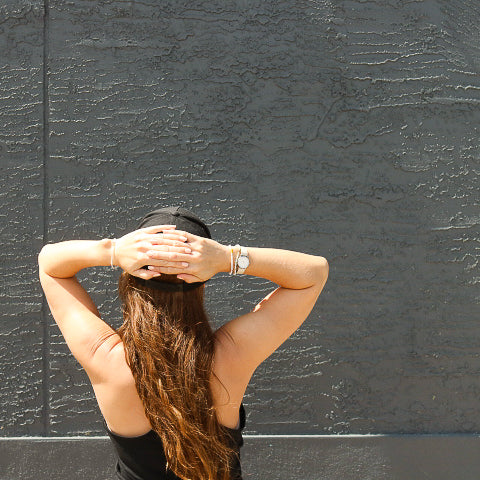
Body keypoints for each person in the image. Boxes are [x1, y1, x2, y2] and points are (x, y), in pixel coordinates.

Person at [37, 206, 329, 480]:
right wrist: (228, 258)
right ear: (202, 281)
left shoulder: (108, 357)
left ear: (131, 275)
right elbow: (313, 273)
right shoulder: (230, 354)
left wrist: (112, 250)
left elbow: (49, 264)